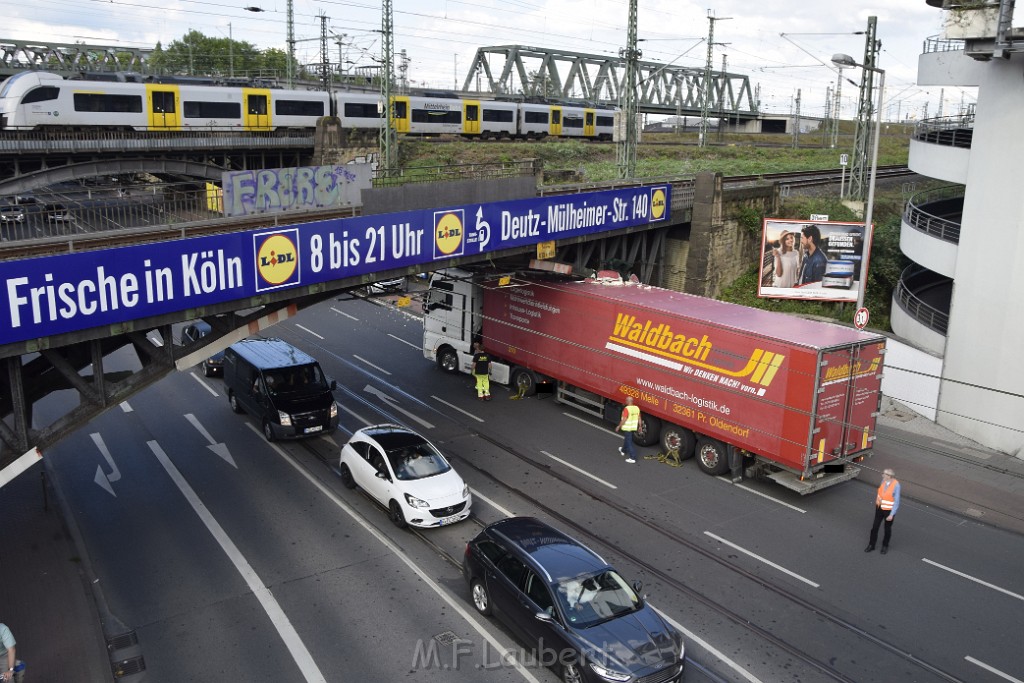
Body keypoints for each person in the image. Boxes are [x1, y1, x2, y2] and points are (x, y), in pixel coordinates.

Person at [865, 468, 901, 555]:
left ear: (890, 476)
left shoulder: (896, 485)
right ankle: (871, 545)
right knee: (874, 527)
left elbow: (896, 501)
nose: (882, 475)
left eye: (884, 474)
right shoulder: (883, 481)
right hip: (879, 508)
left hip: (888, 511)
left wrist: (892, 514)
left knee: (887, 529)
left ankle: (885, 546)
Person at [615, 396, 641, 464]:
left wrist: (619, 426)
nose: (625, 401)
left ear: (628, 401)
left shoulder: (626, 409)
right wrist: (640, 426)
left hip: (627, 428)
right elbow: (639, 418)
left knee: (629, 442)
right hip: (633, 428)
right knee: (627, 439)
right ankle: (623, 450)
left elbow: (624, 419)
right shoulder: (636, 408)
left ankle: (633, 457)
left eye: (626, 400)